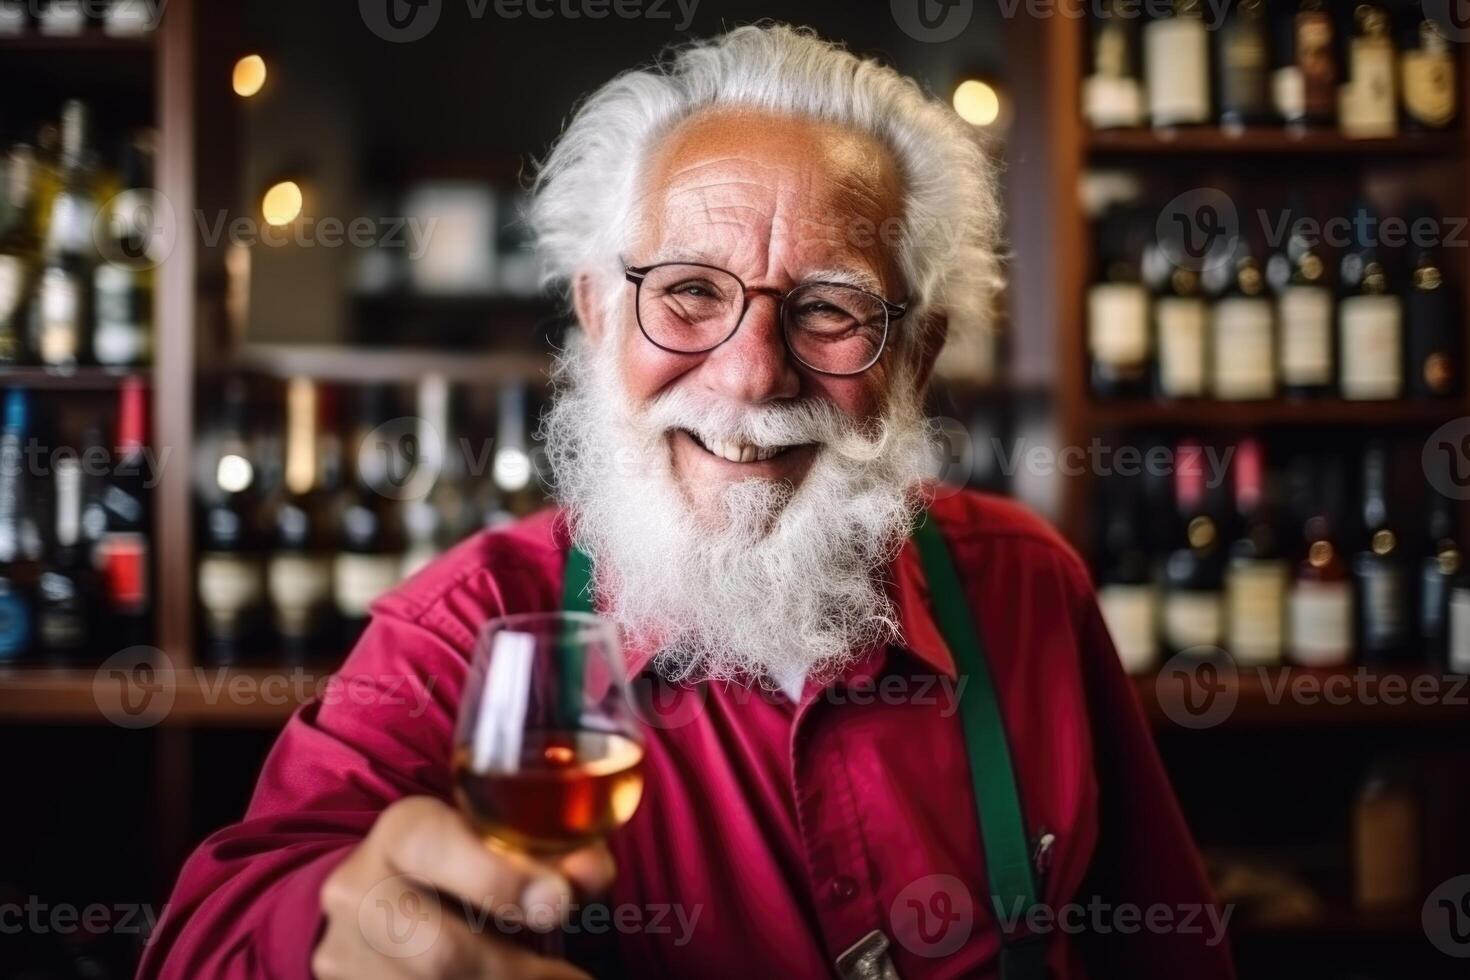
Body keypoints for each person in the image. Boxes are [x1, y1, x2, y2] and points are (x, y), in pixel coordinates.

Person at [143, 24, 1235, 980]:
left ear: (918, 351)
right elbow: (215, 927)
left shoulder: (1028, 583)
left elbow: (1172, 948)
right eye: (688, 293)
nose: (751, 373)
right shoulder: (469, 627)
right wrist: (327, 933)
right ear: (596, 314)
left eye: (829, 308)